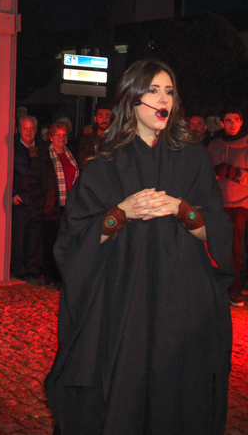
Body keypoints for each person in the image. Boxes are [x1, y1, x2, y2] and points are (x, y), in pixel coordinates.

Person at [45, 59, 232, 435]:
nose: (163, 100)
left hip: (181, 302)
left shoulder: (193, 157)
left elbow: (217, 230)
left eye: (169, 92)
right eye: (153, 91)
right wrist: (121, 213)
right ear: (132, 100)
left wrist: (180, 209)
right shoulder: (105, 164)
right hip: (124, 301)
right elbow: (74, 240)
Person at [28, 121, 78, 287]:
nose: (61, 138)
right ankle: (51, 277)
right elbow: (34, 182)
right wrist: (42, 202)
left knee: (68, 243)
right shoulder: (43, 156)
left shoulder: (71, 154)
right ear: (51, 137)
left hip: (70, 207)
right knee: (51, 243)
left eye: (64, 135)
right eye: (58, 135)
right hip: (51, 206)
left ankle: (64, 275)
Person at [207, 106, 248, 306]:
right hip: (217, 203)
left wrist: (236, 173)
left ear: (241, 122)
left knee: (235, 248)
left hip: (240, 204)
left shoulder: (246, 145)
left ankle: (234, 289)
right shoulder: (214, 145)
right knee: (215, 246)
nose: (233, 124)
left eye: (236, 120)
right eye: (229, 120)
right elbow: (205, 175)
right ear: (222, 123)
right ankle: (215, 287)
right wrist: (215, 174)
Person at [10, 115, 41, 280]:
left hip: (36, 200)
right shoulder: (14, 149)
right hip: (20, 199)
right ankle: (20, 268)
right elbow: (8, 173)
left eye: (31, 129)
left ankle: (33, 267)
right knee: (19, 237)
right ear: (19, 130)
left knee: (35, 236)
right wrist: (12, 193)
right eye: (25, 128)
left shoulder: (41, 149)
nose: (28, 132)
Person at [77, 102, 112, 169]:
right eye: (100, 116)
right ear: (95, 119)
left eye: (107, 116)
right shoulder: (88, 138)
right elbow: (83, 161)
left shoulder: (116, 138)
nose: (104, 119)